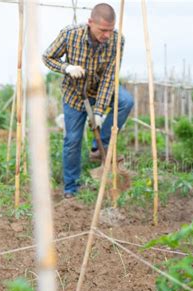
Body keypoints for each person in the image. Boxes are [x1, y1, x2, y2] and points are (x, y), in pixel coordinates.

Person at [42, 3, 134, 199]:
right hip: (75, 94)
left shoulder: (117, 41)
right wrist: (67, 68)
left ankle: (99, 145)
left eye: (110, 30)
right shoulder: (70, 34)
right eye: (103, 30)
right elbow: (47, 57)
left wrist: (99, 112)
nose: (107, 35)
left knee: (126, 101)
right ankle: (71, 188)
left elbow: (110, 77)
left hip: (101, 89)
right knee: (72, 140)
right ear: (90, 23)